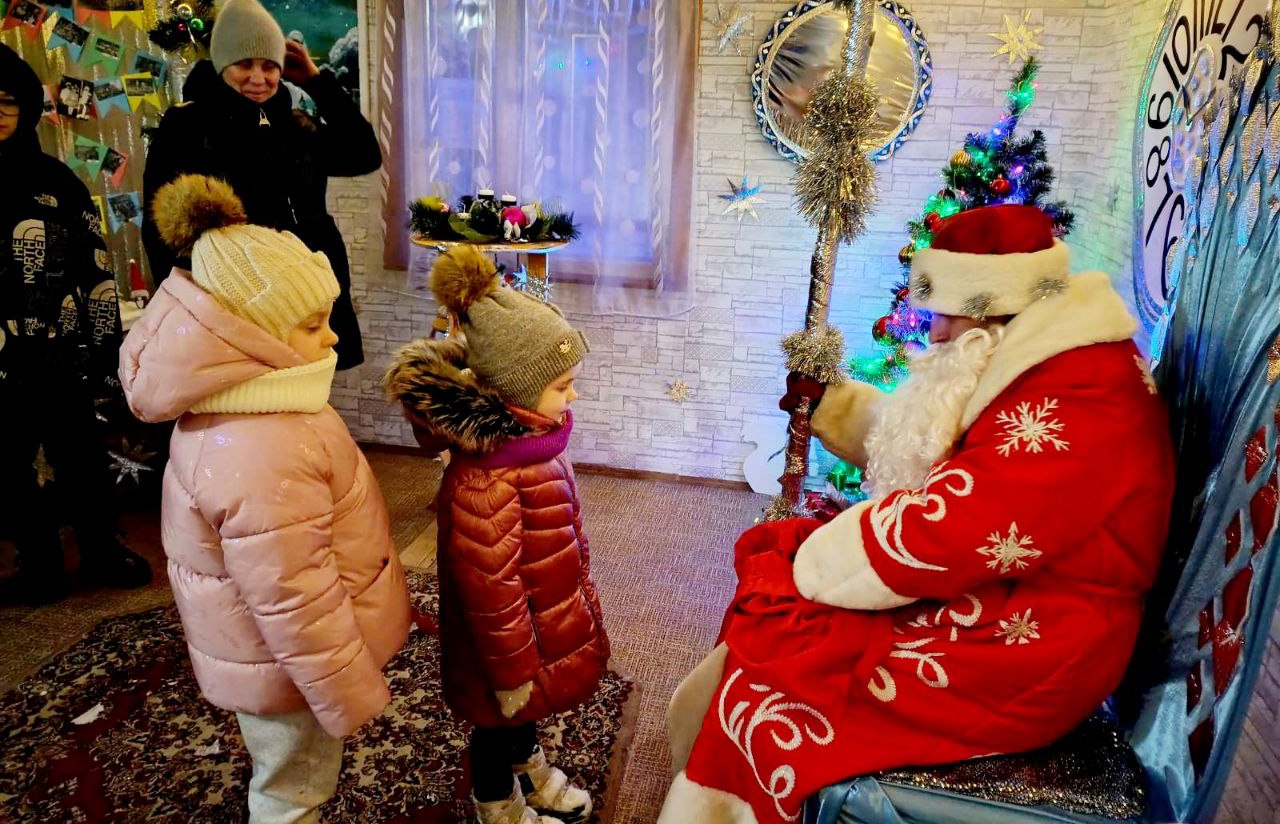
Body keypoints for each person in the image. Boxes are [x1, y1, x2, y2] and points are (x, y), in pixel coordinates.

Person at [658, 205, 1176, 824]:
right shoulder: (1039, 357)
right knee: (785, 602)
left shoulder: (1079, 395)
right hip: (1011, 595)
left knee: (789, 670)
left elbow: (953, 528)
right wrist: (835, 409)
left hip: (1039, 646)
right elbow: (954, 454)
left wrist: (820, 560)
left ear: (994, 308)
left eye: (946, 314)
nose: (934, 333)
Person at [119, 174, 411, 824]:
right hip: (288, 671)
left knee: (289, 774)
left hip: (271, 658)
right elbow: (293, 594)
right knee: (292, 791)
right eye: (311, 324)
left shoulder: (256, 409)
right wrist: (344, 688)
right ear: (250, 336)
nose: (332, 337)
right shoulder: (261, 446)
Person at [384, 245, 607, 824]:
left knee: (523, 713)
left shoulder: (535, 444)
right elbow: (491, 593)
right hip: (501, 646)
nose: (573, 397)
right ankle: (497, 803)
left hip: (536, 619)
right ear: (517, 391)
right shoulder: (487, 482)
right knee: (495, 720)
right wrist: (510, 673)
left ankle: (528, 768)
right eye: (562, 386)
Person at [142, 0, 380, 370]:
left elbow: (364, 155)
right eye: (244, 64)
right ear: (222, 64)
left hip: (305, 297)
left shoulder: (294, 124)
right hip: (238, 301)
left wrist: (316, 82)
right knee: (250, 396)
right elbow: (159, 230)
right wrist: (188, 310)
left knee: (307, 392)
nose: (259, 78)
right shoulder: (187, 126)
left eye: (270, 65)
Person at [0, 42, 151, 603]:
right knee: (7, 467)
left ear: (24, 109)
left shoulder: (57, 181)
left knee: (81, 458)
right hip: (0, 362)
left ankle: (101, 550)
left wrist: (104, 347)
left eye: (7, 101)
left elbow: (94, 268)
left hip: (59, 352)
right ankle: (37, 563)